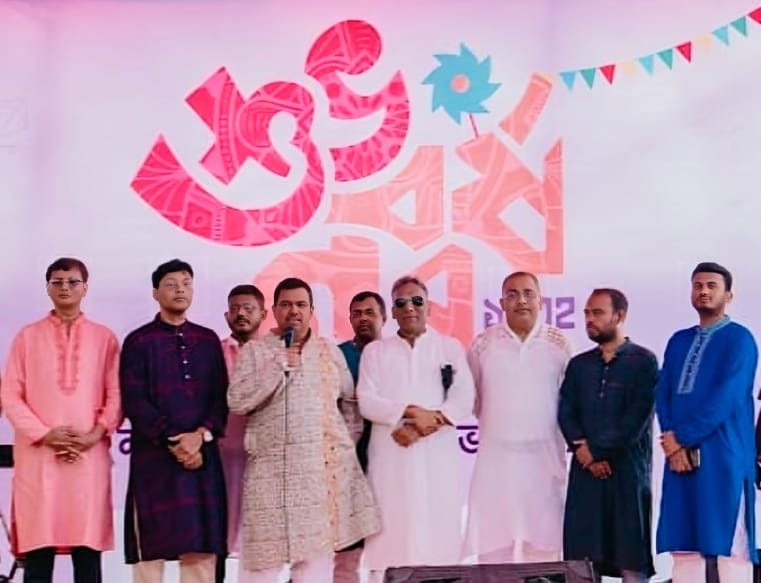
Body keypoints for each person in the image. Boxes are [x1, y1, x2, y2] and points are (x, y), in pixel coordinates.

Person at [228, 277, 381, 583]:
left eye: (300, 305)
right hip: (268, 477)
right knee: (259, 570)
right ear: (274, 311)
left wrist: (341, 448)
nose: (293, 311)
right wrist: (277, 366)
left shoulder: (328, 351)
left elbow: (350, 403)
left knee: (313, 570)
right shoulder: (255, 351)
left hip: (316, 480)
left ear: (311, 311)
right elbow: (237, 401)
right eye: (286, 304)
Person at [1, 257, 121, 583]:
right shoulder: (27, 337)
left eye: (72, 281)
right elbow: (10, 394)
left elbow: (116, 394)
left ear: (85, 287)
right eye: (57, 282)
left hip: (88, 457)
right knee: (38, 553)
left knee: (87, 552)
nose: (65, 287)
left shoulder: (104, 338)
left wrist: (94, 434)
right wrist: (45, 434)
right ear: (47, 288)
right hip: (39, 455)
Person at [357, 275, 475, 583]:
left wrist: (424, 426)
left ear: (429, 307)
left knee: (438, 542)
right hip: (391, 458)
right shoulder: (376, 352)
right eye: (401, 303)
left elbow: (464, 399)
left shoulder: (449, 348)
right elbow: (367, 401)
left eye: (417, 301)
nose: (410, 307)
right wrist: (409, 413)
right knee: (389, 544)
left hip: (437, 459)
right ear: (393, 312)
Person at [120, 259, 228, 583]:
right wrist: (175, 440)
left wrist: (200, 436)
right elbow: (135, 401)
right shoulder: (138, 341)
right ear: (155, 293)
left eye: (186, 283)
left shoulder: (208, 340)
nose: (180, 289)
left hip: (201, 457)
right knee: (149, 555)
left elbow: (221, 398)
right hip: (154, 459)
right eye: (170, 284)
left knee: (200, 550)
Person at [656, 262, 758, 583]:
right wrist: (673, 444)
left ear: (728, 295)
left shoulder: (740, 340)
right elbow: (663, 393)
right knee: (685, 547)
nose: (703, 291)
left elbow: (728, 398)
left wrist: (682, 437)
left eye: (712, 286)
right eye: (698, 285)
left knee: (731, 548)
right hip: (680, 458)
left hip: (725, 454)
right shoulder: (678, 341)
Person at [464, 271, 572, 564]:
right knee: (493, 547)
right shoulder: (483, 345)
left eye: (528, 294)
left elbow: (570, 402)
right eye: (512, 295)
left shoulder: (559, 344)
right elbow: (472, 400)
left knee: (545, 549)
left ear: (541, 301)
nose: (521, 301)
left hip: (545, 460)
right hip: (496, 459)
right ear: (501, 303)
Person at [558, 288, 658, 582]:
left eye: (598, 313)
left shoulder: (643, 362)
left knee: (631, 559)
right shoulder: (579, 365)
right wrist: (584, 452)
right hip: (585, 476)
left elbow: (636, 419)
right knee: (582, 561)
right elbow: (566, 411)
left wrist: (597, 451)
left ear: (619, 316)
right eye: (587, 313)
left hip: (627, 474)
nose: (590, 319)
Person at [334, 291, 387, 583]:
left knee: (387, 533)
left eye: (370, 312)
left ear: (384, 317)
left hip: (389, 451)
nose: (363, 318)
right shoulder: (337, 355)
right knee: (348, 539)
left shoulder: (395, 354)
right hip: (347, 456)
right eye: (357, 313)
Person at [216, 284, 267, 582]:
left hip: (262, 463)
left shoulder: (275, 354)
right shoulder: (213, 352)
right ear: (226, 316)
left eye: (248, 308)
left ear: (263, 314)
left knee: (260, 545)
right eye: (234, 309)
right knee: (216, 541)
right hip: (218, 460)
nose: (241, 314)